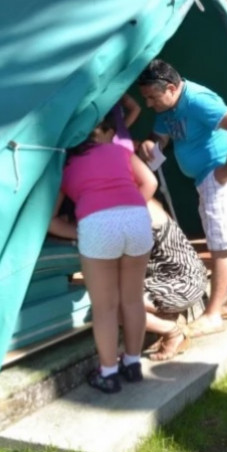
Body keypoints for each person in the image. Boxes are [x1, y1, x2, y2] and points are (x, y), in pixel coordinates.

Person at [137, 59, 227, 338]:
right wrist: (153, 143)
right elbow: (160, 136)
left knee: (220, 244)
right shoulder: (167, 107)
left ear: (172, 88)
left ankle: (212, 315)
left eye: (153, 97)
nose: (150, 104)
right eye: (146, 98)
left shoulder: (197, 100)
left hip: (219, 174)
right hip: (207, 177)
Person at [48, 114, 158, 394]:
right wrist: (128, 208)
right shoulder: (120, 150)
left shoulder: (65, 165)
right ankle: (133, 364)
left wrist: (79, 232)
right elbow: (150, 183)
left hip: (97, 225)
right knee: (132, 300)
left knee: (105, 307)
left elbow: (50, 220)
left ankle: (108, 373)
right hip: (136, 219)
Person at [142, 198, 208, 361]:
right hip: (190, 281)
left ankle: (173, 332)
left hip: (181, 285)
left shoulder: (138, 212)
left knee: (113, 305)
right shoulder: (147, 203)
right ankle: (173, 319)